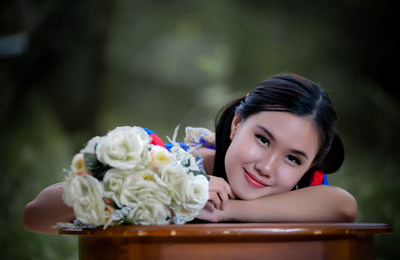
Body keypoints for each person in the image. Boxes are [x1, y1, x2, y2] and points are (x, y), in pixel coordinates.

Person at [23, 73, 357, 234]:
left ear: (309, 166)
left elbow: (344, 206)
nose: (267, 167)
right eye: (264, 140)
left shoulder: (301, 190)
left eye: (293, 159)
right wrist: (178, 188)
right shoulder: (169, 161)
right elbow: (35, 215)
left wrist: (225, 212)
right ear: (237, 124)